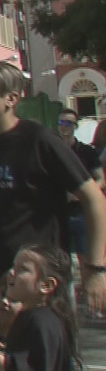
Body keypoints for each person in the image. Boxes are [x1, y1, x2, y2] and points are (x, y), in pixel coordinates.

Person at [0, 61, 106, 327]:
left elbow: (94, 199)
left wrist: (95, 269)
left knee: (41, 365)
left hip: (39, 286)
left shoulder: (39, 140)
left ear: (11, 98)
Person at [56, 109, 104, 272]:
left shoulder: (86, 152)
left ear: (75, 126)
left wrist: (83, 194)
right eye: (61, 122)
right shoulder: (52, 150)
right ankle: (67, 297)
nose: (64, 126)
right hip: (58, 212)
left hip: (81, 212)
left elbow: (100, 178)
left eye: (68, 123)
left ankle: (86, 295)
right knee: (61, 261)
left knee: (85, 258)